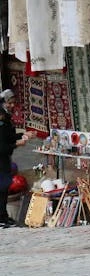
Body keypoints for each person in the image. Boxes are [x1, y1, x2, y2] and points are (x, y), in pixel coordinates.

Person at [0, 89, 26, 228]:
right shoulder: (1, 119)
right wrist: (17, 143)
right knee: (2, 189)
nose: (11, 105)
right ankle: (2, 218)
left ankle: (3, 217)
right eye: (9, 103)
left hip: (4, 159)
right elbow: (2, 146)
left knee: (3, 189)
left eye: (13, 103)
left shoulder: (6, 117)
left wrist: (23, 135)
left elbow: (8, 137)